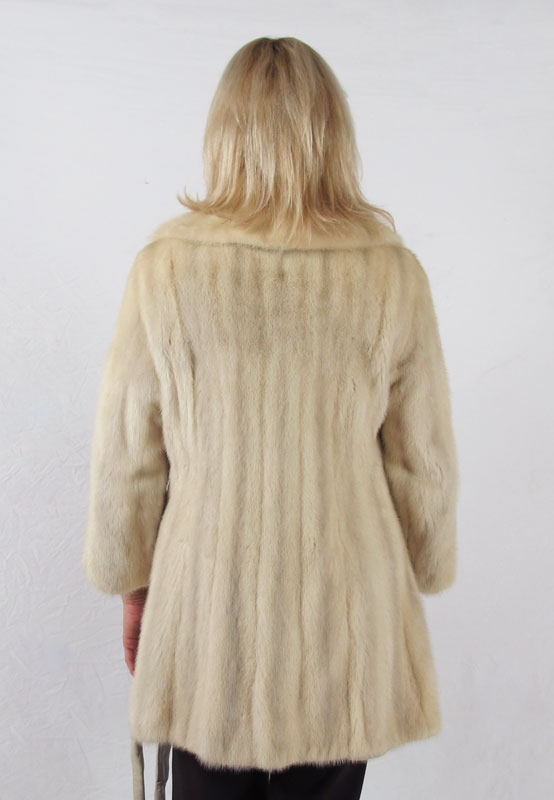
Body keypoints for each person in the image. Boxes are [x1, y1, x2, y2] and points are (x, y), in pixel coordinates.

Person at [82, 36, 459, 800]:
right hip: (344, 627)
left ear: (224, 134)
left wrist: (135, 588)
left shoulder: (166, 270)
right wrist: (425, 560)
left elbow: (128, 457)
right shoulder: (390, 274)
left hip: (207, 623)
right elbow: (422, 461)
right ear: (332, 132)